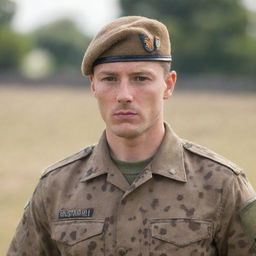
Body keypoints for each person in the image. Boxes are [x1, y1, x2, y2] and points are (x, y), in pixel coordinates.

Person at [7, 16, 256, 256]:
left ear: (168, 85)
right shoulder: (56, 187)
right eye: (110, 79)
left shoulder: (222, 185)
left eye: (140, 78)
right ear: (93, 85)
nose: (124, 94)